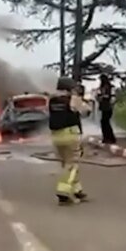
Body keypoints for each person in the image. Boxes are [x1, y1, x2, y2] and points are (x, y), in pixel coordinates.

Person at [49, 76, 90, 205]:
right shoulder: (72, 99)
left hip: (56, 136)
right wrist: (82, 99)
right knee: (72, 165)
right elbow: (86, 111)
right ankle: (63, 192)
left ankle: (78, 190)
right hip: (70, 135)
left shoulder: (52, 100)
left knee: (66, 164)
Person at [97, 72, 116, 144]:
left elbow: (109, 96)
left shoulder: (108, 87)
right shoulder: (103, 87)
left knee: (105, 122)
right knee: (104, 122)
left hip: (107, 107)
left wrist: (102, 97)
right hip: (104, 107)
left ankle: (109, 138)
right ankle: (107, 137)